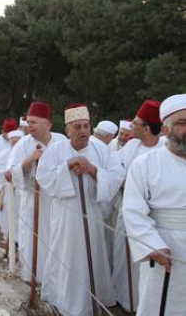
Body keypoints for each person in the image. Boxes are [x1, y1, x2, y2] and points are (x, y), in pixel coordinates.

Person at [36, 103, 125, 316]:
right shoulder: (56, 151)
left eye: (86, 126)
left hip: (93, 215)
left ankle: (93, 301)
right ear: (67, 130)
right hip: (66, 215)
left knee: (93, 254)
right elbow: (44, 177)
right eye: (77, 127)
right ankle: (65, 300)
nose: (83, 131)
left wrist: (92, 170)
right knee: (66, 255)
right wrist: (68, 165)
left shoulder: (101, 150)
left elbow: (116, 176)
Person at [122, 94, 186, 316]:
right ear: (166, 129)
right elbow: (133, 211)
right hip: (164, 252)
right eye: (182, 123)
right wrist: (152, 244)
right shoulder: (145, 164)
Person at [112, 100, 165, 313]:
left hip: (153, 218)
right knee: (122, 257)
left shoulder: (164, 149)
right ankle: (124, 300)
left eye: (135, 122)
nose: (130, 126)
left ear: (146, 128)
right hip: (127, 212)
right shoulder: (132, 146)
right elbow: (115, 168)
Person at [6, 101, 67, 283]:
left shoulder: (61, 141)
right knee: (33, 240)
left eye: (33, 122)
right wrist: (29, 160)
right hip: (33, 201)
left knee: (56, 240)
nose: (28, 126)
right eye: (28, 122)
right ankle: (33, 279)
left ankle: (55, 280)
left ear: (47, 124)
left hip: (57, 202)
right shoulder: (23, 144)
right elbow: (9, 174)